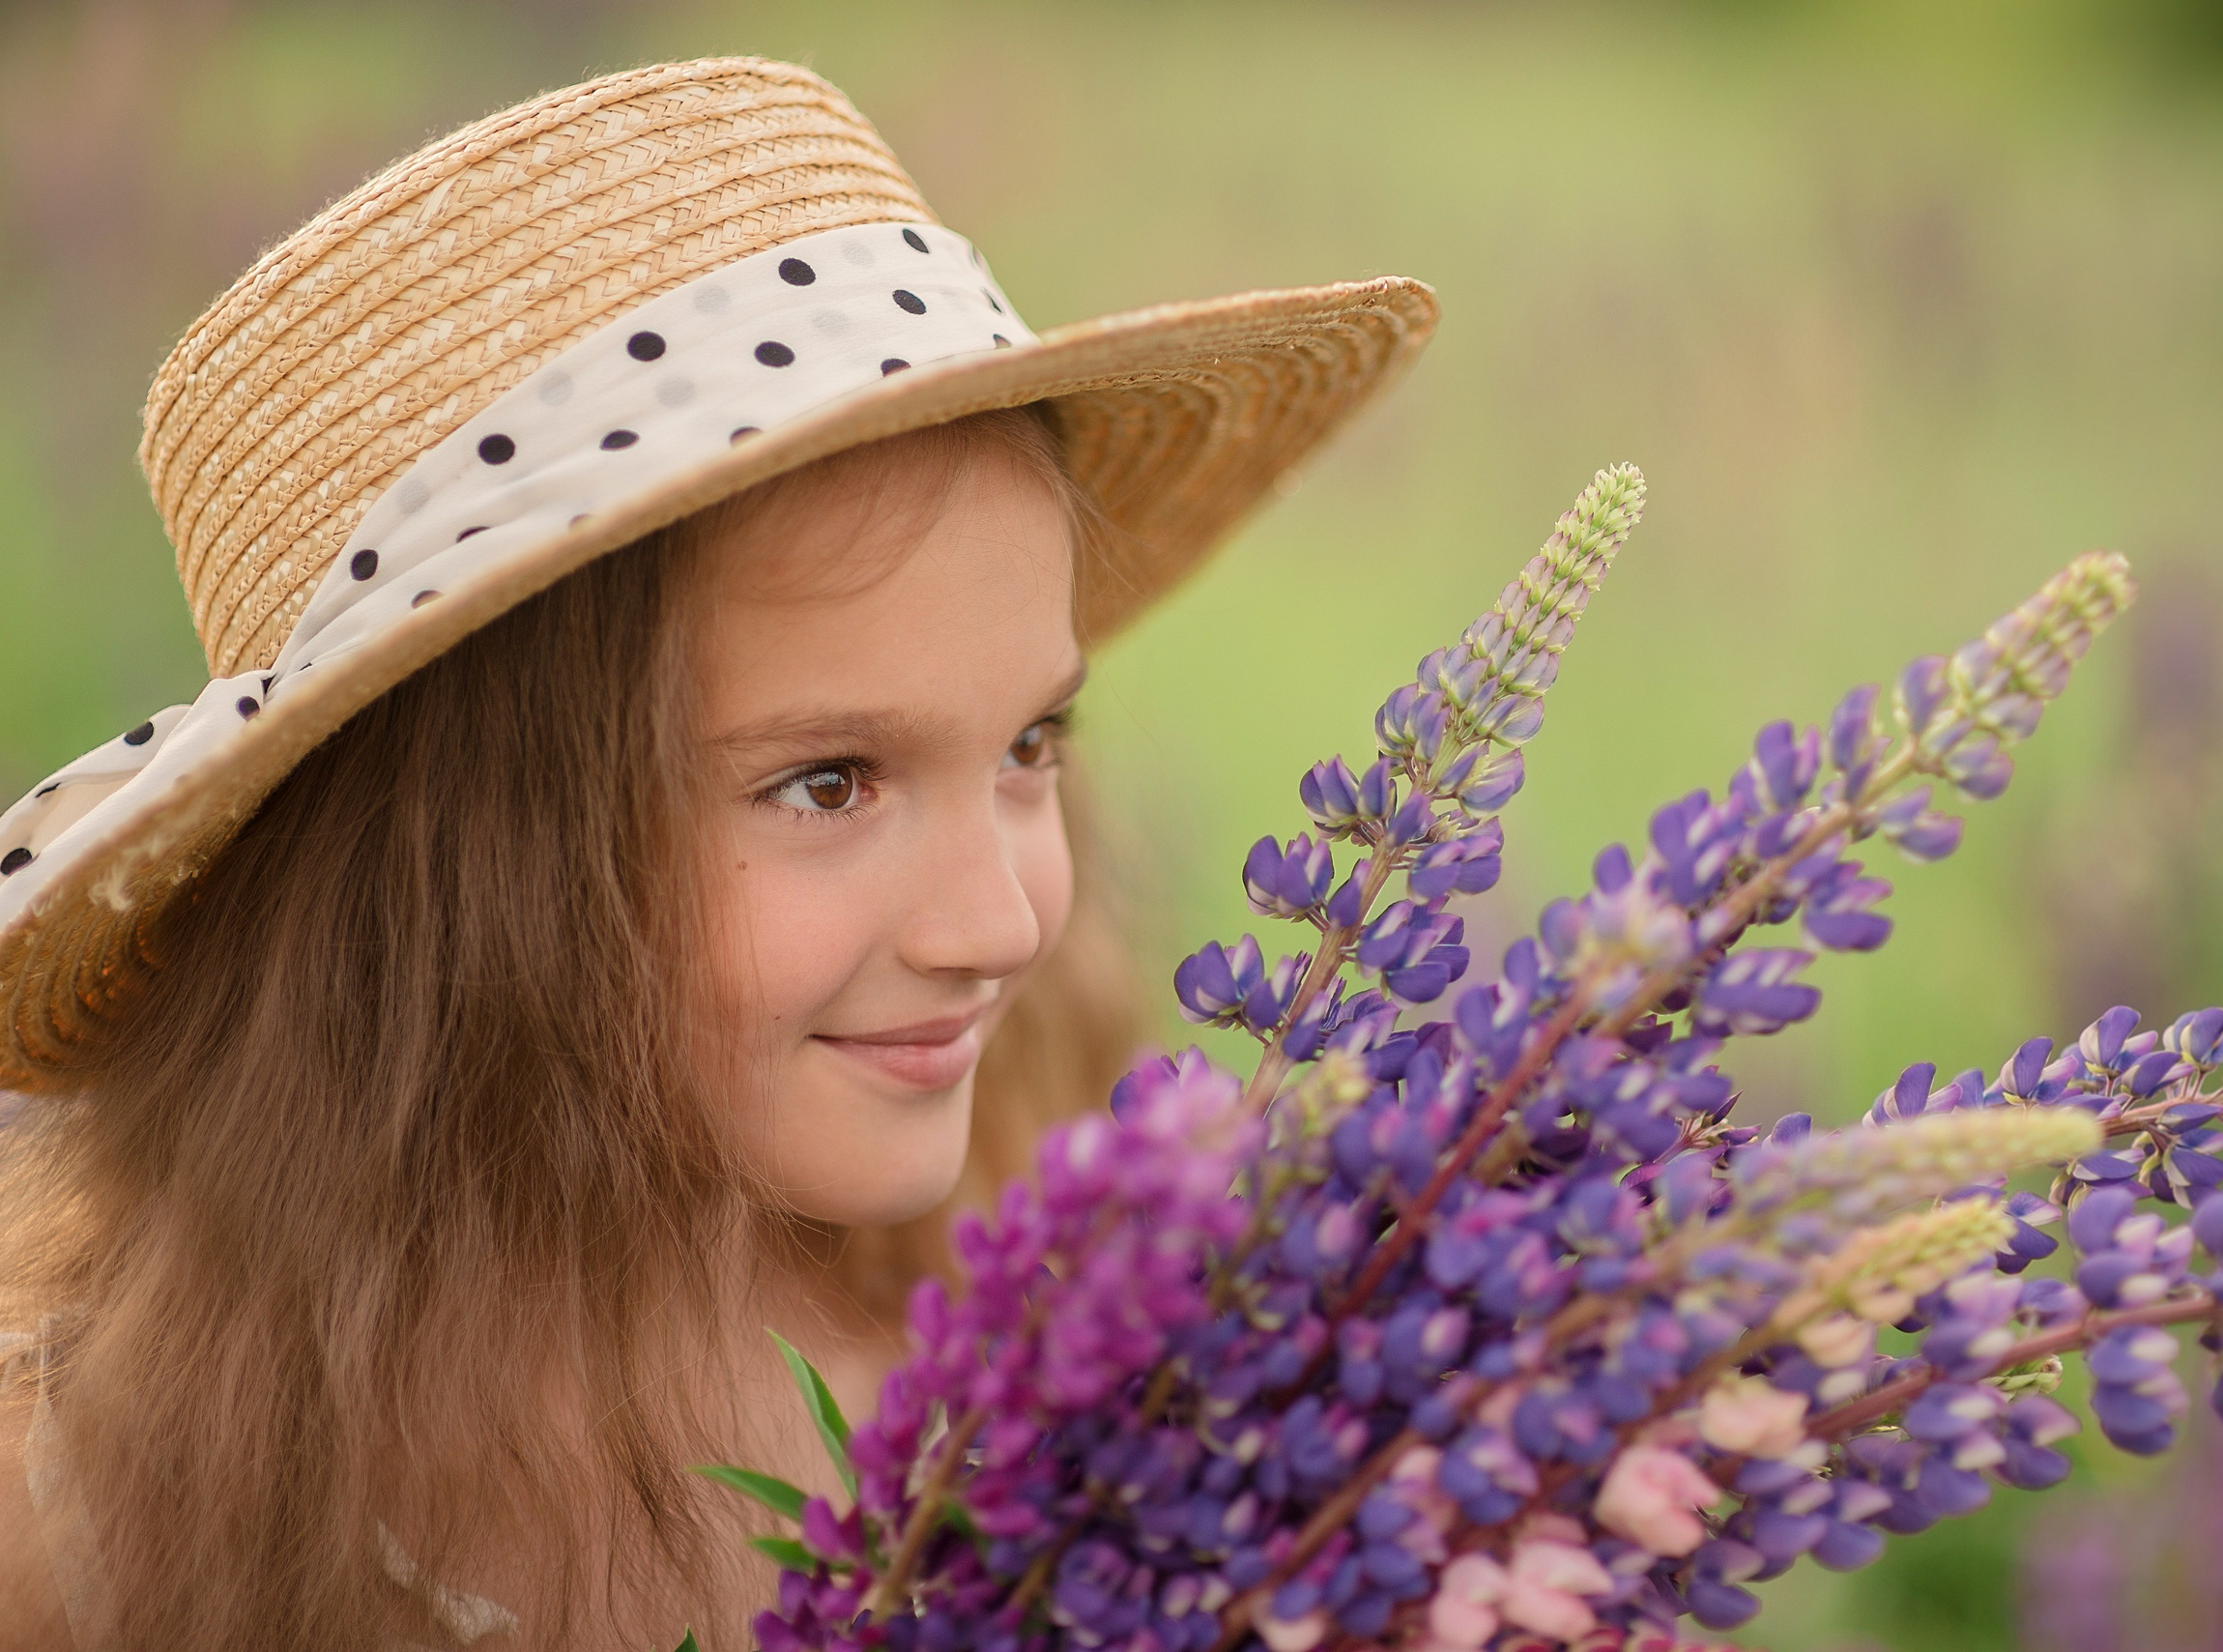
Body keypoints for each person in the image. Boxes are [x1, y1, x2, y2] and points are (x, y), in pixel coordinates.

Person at [0, 57, 1433, 1651]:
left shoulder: (1046, 1402)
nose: (1008, 918)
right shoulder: (86, 1516)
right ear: (461, 880)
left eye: (1032, 743)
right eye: (828, 782)